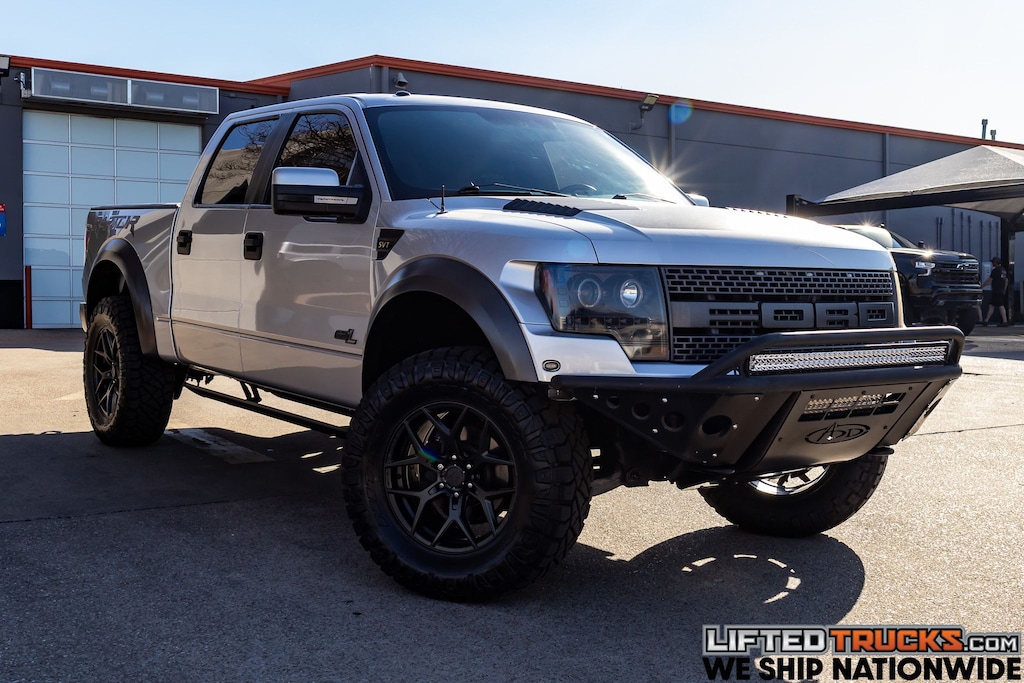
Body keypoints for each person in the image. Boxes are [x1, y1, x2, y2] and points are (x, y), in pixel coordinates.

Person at [981, 257, 1010, 326]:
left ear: (996, 262)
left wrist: (982, 286)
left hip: (996, 290)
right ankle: (986, 320)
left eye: (993, 262)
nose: (992, 263)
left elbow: (990, 280)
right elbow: (1006, 280)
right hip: (1000, 291)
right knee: (992, 305)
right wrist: (1004, 290)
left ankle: (1005, 321)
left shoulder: (995, 270)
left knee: (1000, 305)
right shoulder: (1003, 270)